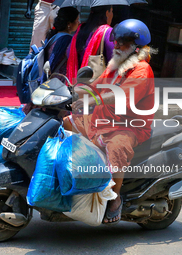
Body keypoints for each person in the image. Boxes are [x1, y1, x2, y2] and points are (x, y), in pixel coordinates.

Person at [64, 19, 158, 224]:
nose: (116, 46)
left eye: (122, 43)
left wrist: (91, 99)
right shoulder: (116, 66)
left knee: (116, 146)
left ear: (137, 48)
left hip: (129, 127)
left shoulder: (142, 70)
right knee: (68, 122)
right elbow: (96, 86)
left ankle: (115, 198)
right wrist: (72, 91)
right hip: (104, 120)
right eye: (116, 41)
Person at [22, 6, 80, 115]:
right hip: (57, 87)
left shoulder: (54, 36)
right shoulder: (66, 40)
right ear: (69, 23)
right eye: (77, 20)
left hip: (48, 83)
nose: (79, 22)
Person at [66, 5, 115, 83]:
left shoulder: (80, 29)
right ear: (106, 13)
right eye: (111, 11)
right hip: (95, 85)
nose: (112, 14)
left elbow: (69, 53)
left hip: (75, 82)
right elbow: (113, 60)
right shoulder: (107, 32)